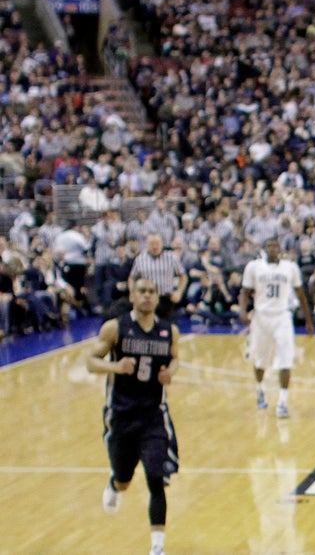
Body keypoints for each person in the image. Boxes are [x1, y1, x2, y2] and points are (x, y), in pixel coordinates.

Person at [86, 276, 180, 555]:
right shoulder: (116, 328)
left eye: (152, 292)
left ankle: (157, 547)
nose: (147, 296)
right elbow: (90, 361)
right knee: (124, 476)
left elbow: (175, 358)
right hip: (121, 415)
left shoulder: (168, 330)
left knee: (155, 476)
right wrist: (116, 367)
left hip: (153, 415)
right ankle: (115, 483)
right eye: (142, 291)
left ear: (157, 296)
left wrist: (170, 373)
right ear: (132, 295)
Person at [239, 237, 314, 418]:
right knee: (260, 360)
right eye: (269, 246)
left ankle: (282, 402)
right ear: (265, 248)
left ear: (280, 249)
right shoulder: (253, 267)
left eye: (276, 246)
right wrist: (242, 311)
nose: (273, 249)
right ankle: (260, 389)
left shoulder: (290, 267)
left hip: (282, 317)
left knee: (286, 360)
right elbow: (245, 292)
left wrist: (308, 320)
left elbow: (301, 294)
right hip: (261, 317)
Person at [128, 233, 188, 322]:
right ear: (147, 245)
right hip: (147, 298)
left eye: (157, 243)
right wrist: (132, 292)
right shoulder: (140, 259)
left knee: (167, 329)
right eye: (152, 243)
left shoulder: (171, 257)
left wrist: (179, 292)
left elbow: (183, 276)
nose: (155, 246)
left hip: (166, 298)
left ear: (162, 244)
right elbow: (132, 278)